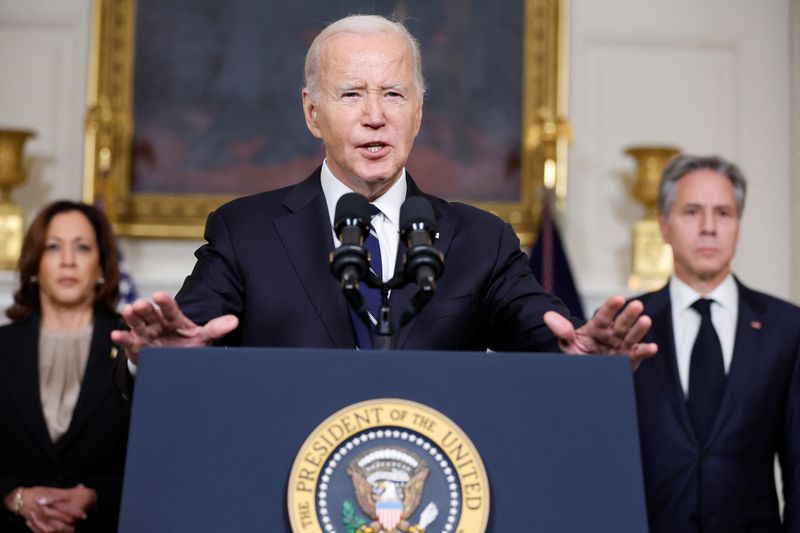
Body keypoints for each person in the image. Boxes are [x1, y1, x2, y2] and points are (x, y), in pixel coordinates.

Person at [111, 14, 656, 375]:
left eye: (393, 94)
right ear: (311, 112)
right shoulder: (244, 232)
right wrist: (161, 364)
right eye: (351, 94)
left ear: (418, 113)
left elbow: (548, 337)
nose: (375, 116)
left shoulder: (481, 239)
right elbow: (182, 336)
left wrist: (583, 357)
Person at [633, 155, 800, 532]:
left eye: (723, 213)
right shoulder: (626, 325)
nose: (709, 228)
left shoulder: (787, 329)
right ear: (663, 225)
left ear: (738, 225)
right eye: (692, 212)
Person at [0, 201, 130, 533]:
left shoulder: (134, 347)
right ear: (34, 264)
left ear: (102, 266)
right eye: (53, 247)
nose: (68, 261)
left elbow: (158, 459)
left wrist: (96, 496)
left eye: (83, 248)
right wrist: (13, 496)